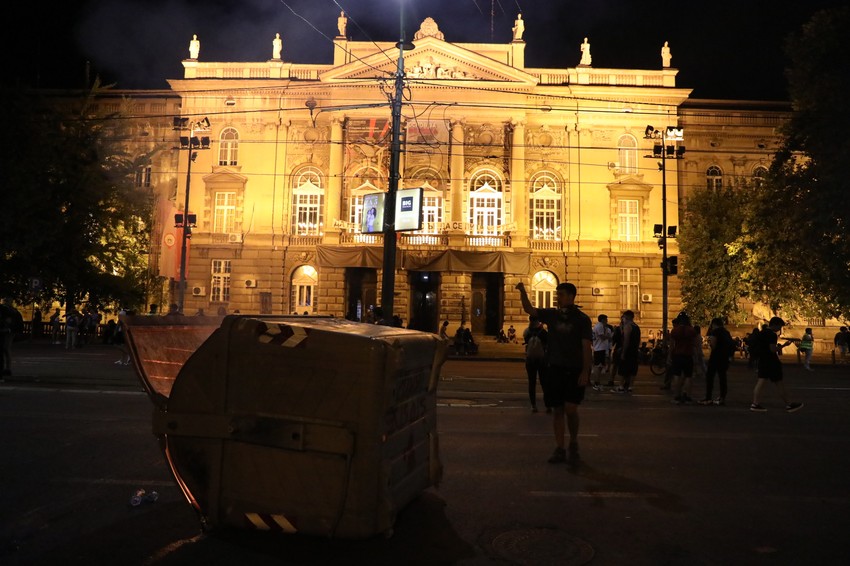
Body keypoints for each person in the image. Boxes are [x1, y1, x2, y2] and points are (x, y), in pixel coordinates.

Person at [516, 281, 592, 465]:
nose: (558, 298)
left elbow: (586, 347)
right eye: (557, 294)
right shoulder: (552, 315)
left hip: (574, 369)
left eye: (561, 294)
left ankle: (573, 441)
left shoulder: (582, 319)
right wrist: (523, 290)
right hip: (555, 367)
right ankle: (560, 448)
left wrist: (585, 371)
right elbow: (529, 310)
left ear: (571, 296)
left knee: (571, 409)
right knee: (558, 409)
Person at [750, 317, 804, 413]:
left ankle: (755, 403)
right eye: (779, 326)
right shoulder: (771, 335)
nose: (780, 329)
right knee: (779, 383)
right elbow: (772, 349)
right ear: (775, 324)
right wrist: (784, 346)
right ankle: (788, 404)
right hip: (771, 361)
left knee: (761, 382)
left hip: (762, 360)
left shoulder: (762, 332)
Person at [700, 317, 734, 405]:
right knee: (722, 377)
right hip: (725, 357)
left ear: (714, 324)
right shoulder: (726, 332)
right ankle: (722, 397)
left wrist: (711, 343)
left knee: (710, 376)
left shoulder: (715, 332)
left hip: (716, 357)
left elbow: (713, 345)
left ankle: (708, 397)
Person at [669, 313, 698, 404]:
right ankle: (688, 396)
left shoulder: (675, 330)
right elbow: (695, 345)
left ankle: (677, 396)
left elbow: (672, 345)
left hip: (677, 355)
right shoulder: (692, 331)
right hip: (688, 356)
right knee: (688, 376)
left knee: (677, 376)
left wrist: (669, 356)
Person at [522, 316, 549, 413]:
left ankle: (533, 405)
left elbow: (525, 342)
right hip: (542, 360)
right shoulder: (543, 332)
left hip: (530, 360)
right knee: (544, 383)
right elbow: (548, 345)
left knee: (532, 383)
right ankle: (547, 405)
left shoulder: (527, 331)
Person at [614, 311, 640, 392]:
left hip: (628, 350)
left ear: (627, 317)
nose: (623, 319)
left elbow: (626, 340)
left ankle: (621, 386)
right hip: (634, 350)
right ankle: (630, 386)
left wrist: (623, 352)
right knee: (632, 369)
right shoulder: (636, 326)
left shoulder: (628, 326)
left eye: (623, 317)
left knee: (623, 368)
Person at [590, 314, 612, 390]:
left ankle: (597, 382)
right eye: (606, 319)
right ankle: (596, 383)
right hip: (599, 348)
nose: (607, 321)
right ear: (602, 320)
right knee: (598, 366)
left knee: (600, 366)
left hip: (600, 348)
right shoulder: (599, 326)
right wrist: (610, 337)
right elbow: (602, 337)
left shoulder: (600, 326)